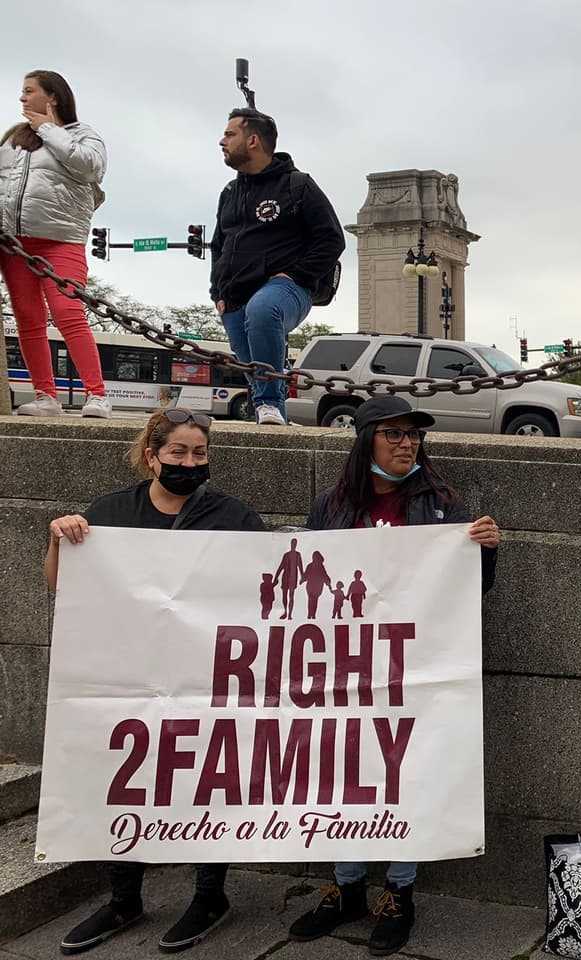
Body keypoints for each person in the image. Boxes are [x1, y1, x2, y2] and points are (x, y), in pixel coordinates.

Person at [46, 408, 264, 955]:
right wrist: (59, 538)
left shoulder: (232, 516)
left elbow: (264, 589)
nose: (190, 463)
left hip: (206, 673)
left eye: (199, 454)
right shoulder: (111, 512)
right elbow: (62, 586)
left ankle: (210, 895)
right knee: (125, 777)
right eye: (178, 454)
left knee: (209, 779)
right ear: (152, 456)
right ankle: (124, 897)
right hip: (129, 673)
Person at [287, 395, 499, 957]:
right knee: (344, 769)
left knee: (406, 771)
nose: (408, 444)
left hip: (415, 666)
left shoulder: (442, 506)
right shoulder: (331, 506)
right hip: (346, 665)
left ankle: (398, 891)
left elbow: (468, 590)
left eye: (414, 435)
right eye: (394, 435)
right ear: (366, 442)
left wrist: (484, 552)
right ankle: (347, 884)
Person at [209, 107, 344, 426]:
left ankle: (269, 402)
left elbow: (332, 239)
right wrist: (218, 290)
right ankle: (272, 423)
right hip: (234, 298)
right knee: (257, 377)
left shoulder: (297, 185)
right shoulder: (230, 192)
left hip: (287, 289)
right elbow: (218, 245)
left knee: (263, 310)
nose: (222, 141)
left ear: (252, 140)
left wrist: (296, 274)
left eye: (230, 134)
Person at [0, 70, 110, 418]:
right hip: (14, 243)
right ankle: (46, 395)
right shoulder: (13, 138)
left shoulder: (82, 135)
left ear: (53, 97)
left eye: (29, 91)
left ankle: (97, 395)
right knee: (28, 320)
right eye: (21, 92)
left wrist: (48, 129)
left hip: (61, 240)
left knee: (68, 313)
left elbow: (90, 167)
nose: (22, 98)